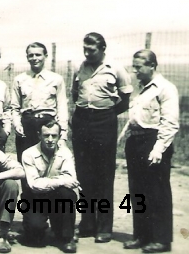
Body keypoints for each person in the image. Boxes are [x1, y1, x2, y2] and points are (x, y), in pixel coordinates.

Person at [70, 32, 133, 243]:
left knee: (104, 175)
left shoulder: (115, 68)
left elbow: (125, 98)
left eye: (92, 50)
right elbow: (75, 92)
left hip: (104, 121)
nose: (87, 53)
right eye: (85, 49)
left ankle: (104, 227)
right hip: (81, 121)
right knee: (84, 174)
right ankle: (87, 223)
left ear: (103, 49)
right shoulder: (79, 68)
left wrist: (107, 114)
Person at [118, 50, 179, 253]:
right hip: (136, 142)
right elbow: (134, 117)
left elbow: (170, 123)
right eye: (134, 67)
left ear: (152, 65)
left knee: (158, 191)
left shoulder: (165, 88)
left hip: (154, 142)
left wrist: (159, 148)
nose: (135, 71)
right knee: (138, 191)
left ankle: (161, 240)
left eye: (139, 67)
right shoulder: (140, 89)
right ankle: (142, 236)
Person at [21, 120, 79, 253]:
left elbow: (71, 179)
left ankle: (67, 237)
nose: (50, 139)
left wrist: (51, 182)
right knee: (35, 237)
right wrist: (60, 181)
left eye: (54, 135)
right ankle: (33, 227)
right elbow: (35, 184)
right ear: (39, 135)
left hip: (56, 198)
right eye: (46, 135)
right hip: (35, 199)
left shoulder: (65, 153)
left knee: (68, 194)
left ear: (59, 136)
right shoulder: (28, 154)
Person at [11, 42, 69, 164]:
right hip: (27, 125)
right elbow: (15, 107)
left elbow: (62, 107)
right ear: (27, 57)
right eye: (31, 55)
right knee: (25, 163)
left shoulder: (56, 79)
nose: (34, 58)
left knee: (48, 164)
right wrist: (17, 125)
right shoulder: (19, 79)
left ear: (45, 56)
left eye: (38, 55)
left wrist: (62, 133)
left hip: (48, 125)